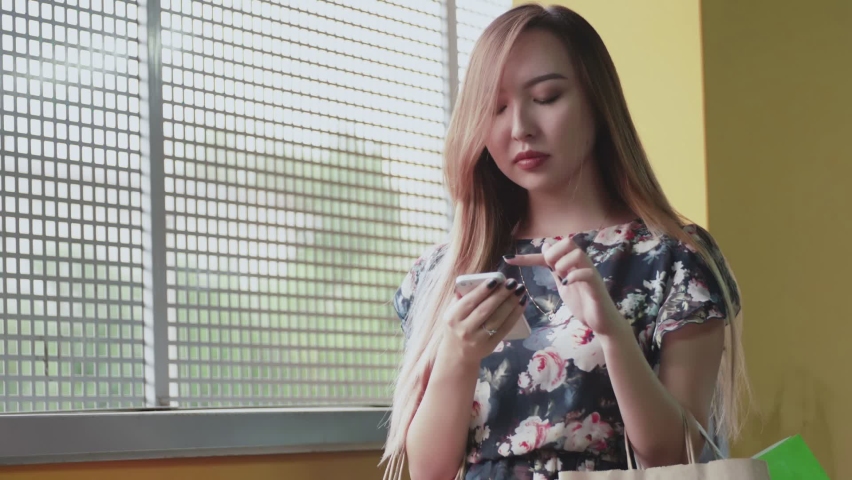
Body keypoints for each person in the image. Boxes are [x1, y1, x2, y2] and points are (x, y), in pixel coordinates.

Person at [381, 4, 749, 480]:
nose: (520, 129)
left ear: (598, 102)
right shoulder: (442, 272)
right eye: (495, 108)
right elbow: (430, 470)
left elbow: (673, 455)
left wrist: (611, 330)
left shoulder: (674, 257)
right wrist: (456, 352)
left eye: (548, 96)